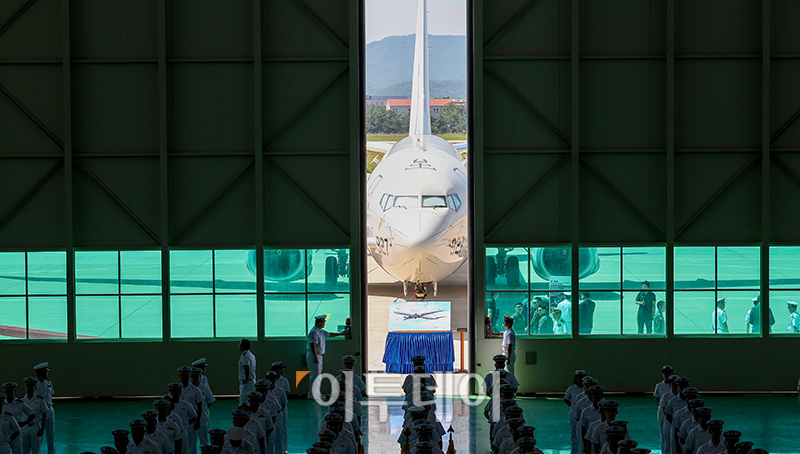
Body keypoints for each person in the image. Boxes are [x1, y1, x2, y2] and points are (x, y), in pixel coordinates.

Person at [307, 315, 344, 399]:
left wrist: (341, 334)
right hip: (314, 356)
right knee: (315, 376)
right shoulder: (314, 332)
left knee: (318, 376)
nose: (324, 323)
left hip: (319, 356)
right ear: (319, 322)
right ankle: (312, 395)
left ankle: (317, 394)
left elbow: (329, 334)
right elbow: (312, 345)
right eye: (324, 322)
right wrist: (316, 358)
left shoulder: (320, 331)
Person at [20, 378, 46, 454]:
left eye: (31, 386)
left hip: (35, 428)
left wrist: (42, 428)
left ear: (35, 387)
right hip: (24, 428)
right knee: (24, 451)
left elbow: (44, 414)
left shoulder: (40, 400)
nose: (29, 388)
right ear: (25, 387)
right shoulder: (21, 400)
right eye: (27, 386)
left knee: (36, 451)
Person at [32, 363, 54, 454]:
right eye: (45, 372)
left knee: (51, 436)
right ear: (41, 373)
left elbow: (51, 394)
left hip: (49, 409)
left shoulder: (49, 383)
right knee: (38, 436)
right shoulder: (34, 384)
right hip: (39, 412)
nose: (47, 374)